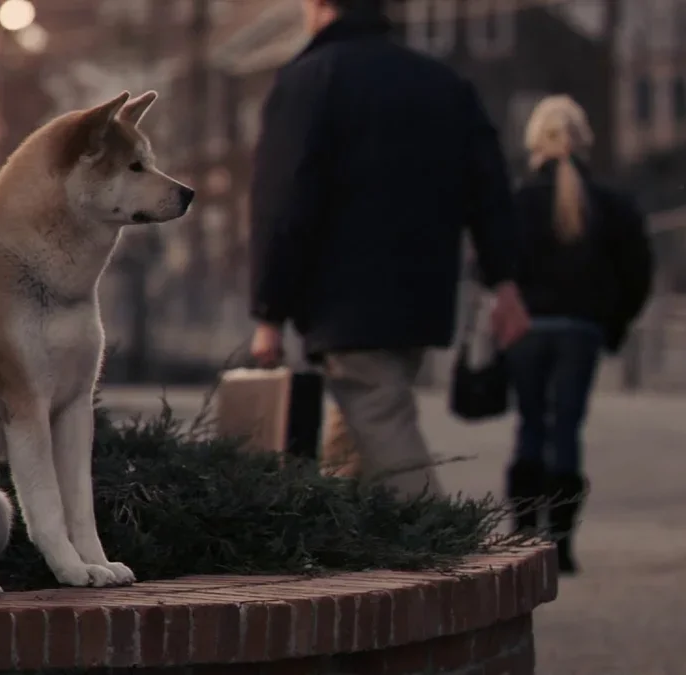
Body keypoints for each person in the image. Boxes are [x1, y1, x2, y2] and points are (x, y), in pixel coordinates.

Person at [247, 0, 530, 498]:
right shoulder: (443, 83)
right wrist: (503, 278)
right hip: (423, 296)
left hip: (345, 301)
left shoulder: (309, 80)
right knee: (355, 434)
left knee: (379, 418)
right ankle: (339, 546)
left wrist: (269, 311)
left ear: (318, 7)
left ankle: (448, 548)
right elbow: (489, 189)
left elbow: (284, 201)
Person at [503, 95, 654, 574]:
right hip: (582, 331)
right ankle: (562, 545)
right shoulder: (611, 205)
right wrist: (614, 322)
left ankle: (523, 534)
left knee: (530, 424)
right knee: (566, 429)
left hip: (527, 329)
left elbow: (491, 263)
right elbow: (639, 270)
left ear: (534, 142)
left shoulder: (520, 201)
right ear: (584, 140)